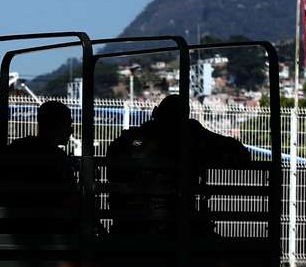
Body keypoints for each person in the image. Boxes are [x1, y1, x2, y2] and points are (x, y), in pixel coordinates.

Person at [106, 94, 249, 236]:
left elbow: (113, 172)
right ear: (185, 117)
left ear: (155, 112)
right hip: (181, 223)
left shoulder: (130, 140)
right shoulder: (194, 137)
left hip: (131, 225)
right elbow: (241, 154)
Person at [0, 101, 79, 234]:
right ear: (56, 125)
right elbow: (71, 198)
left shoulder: (16, 149)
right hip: (50, 229)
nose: (71, 130)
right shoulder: (59, 158)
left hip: (11, 226)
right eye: (68, 124)